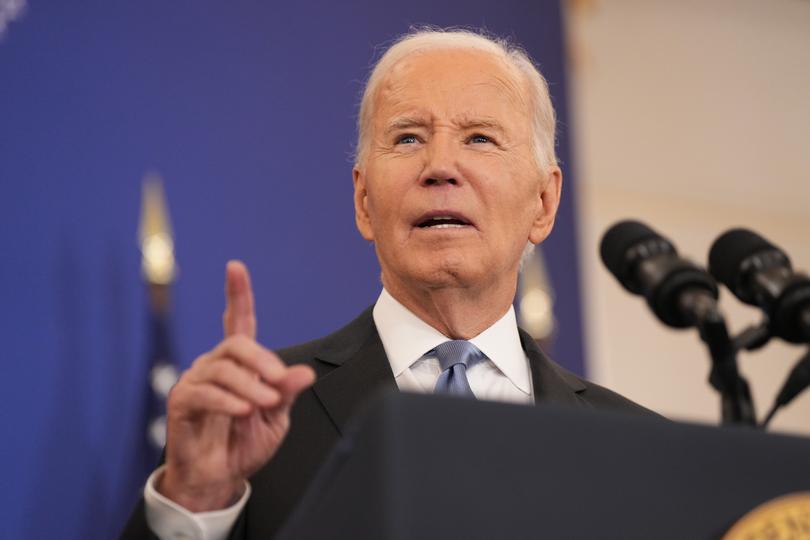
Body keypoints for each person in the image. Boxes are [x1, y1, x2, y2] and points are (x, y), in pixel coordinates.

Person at [121, 28, 654, 540]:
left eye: (480, 138)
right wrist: (192, 503)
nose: (440, 166)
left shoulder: (635, 448)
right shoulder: (253, 422)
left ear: (544, 202)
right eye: (408, 137)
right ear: (363, 202)